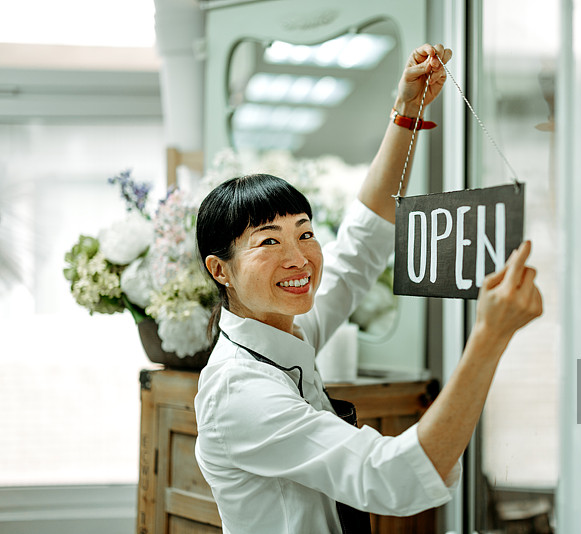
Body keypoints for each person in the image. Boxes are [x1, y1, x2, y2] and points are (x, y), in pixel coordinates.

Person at [194, 43, 543, 534]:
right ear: (221, 270)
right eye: (268, 241)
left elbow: (359, 248)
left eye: (305, 233)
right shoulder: (241, 392)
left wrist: (406, 114)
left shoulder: (285, 332)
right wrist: (489, 337)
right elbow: (392, 477)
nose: (298, 258)